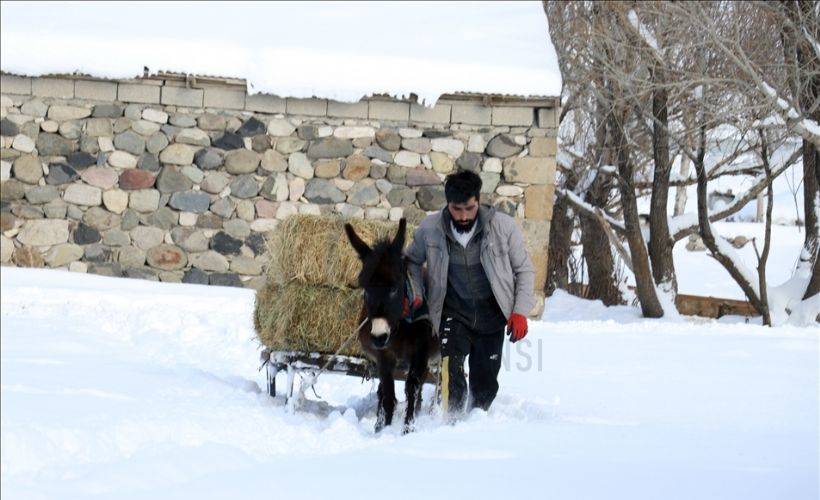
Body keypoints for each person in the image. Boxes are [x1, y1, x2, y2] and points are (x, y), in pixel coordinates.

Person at [403, 170, 535, 416]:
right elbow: (411, 261)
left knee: (485, 383)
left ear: (478, 201)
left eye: (470, 209)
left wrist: (519, 312)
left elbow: (525, 271)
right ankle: (449, 421)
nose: (463, 216)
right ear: (447, 204)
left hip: (492, 314)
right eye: (456, 209)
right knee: (449, 369)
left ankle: (476, 420)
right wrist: (416, 293)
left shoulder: (503, 228)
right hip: (453, 311)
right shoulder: (430, 228)